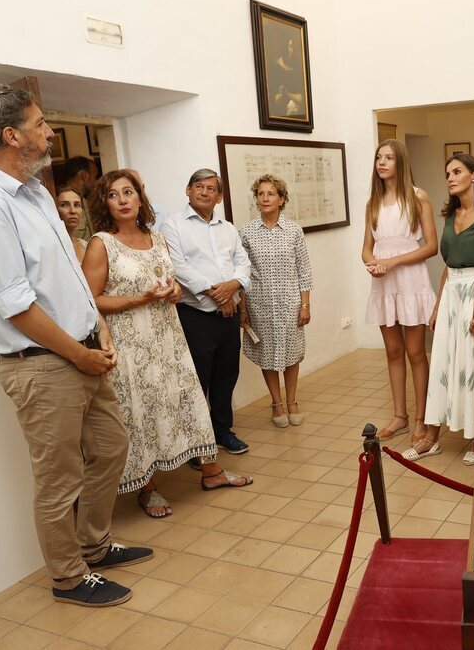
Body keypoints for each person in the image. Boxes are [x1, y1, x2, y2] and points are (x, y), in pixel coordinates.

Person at [0, 84, 151, 607]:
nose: (51, 131)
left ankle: (94, 545)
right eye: (41, 124)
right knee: (58, 478)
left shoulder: (37, 190)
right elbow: (16, 305)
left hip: (82, 350)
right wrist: (78, 351)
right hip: (43, 365)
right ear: (11, 135)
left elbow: (64, 274)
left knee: (111, 450)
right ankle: (67, 577)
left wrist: (98, 329)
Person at [83, 170, 253, 517]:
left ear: (140, 198)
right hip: (131, 342)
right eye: (113, 195)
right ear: (105, 204)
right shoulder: (102, 243)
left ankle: (212, 472)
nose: (123, 200)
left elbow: (170, 282)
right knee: (142, 412)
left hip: (168, 336)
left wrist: (174, 292)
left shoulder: (156, 237)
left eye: (128, 192)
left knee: (188, 399)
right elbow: (88, 299)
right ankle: (148, 489)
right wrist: (138, 300)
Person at [405, 153, 474, 466]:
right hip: (451, 296)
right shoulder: (449, 215)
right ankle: (431, 438)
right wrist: (437, 306)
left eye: (457, 171)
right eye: (447, 172)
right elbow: (448, 267)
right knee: (441, 364)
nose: (450, 177)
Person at [162, 168, 252, 455]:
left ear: (219, 196)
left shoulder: (228, 229)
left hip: (228, 317)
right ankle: (197, 443)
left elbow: (243, 263)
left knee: (226, 376)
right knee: (197, 379)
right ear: (188, 190)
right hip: (196, 317)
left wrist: (233, 286)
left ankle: (223, 431)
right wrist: (219, 293)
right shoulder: (172, 226)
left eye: (210, 188)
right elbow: (178, 266)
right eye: (198, 186)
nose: (203, 191)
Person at [361, 139, 437, 441]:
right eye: (379, 157)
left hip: (410, 280)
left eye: (388, 158)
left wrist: (392, 262)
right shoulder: (372, 203)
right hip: (384, 282)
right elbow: (366, 248)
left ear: (400, 162)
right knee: (393, 351)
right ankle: (399, 417)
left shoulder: (418, 197)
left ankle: (421, 418)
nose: (382, 162)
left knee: (416, 351)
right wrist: (374, 264)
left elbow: (430, 246)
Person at [240, 175, 313, 427]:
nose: (265, 198)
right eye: (260, 194)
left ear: (281, 199)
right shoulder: (247, 232)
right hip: (260, 305)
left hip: (290, 304)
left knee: (292, 355)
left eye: (270, 194)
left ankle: (292, 400)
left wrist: (305, 305)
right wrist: (243, 309)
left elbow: (304, 270)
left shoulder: (294, 230)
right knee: (268, 354)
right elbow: (243, 273)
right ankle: (276, 403)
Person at [64, 155, 99, 241]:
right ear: (84, 176)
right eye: (95, 177)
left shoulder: (85, 201)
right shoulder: (61, 206)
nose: (96, 182)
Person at [56, 185, 87, 263]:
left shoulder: (85, 245)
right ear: (55, 209)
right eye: (64, 205)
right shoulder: (53, 245)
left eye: (77, 205)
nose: (72, 211)